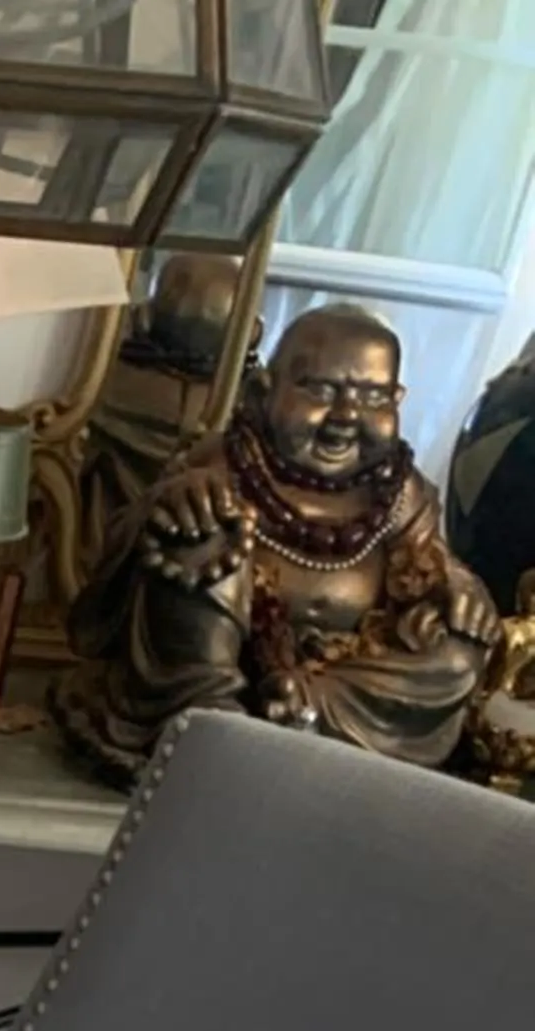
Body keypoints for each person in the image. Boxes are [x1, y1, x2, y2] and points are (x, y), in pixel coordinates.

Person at [54, 302, 497, 780]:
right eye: (321, 390)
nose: (346, 415)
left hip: (348, 684)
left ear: (399, 398)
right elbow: (120, 549)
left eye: (373, 397)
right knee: (200, 530)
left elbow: (430, 559)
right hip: (221, 675)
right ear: (264, 390)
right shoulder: (223, 466)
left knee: (456, 644)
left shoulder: (399, 492)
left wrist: (458, 585)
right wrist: (168, 503)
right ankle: (215, 718)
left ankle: (308, 710)